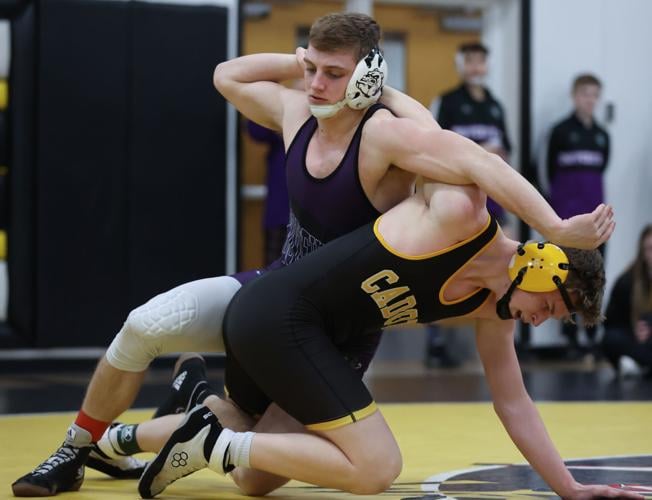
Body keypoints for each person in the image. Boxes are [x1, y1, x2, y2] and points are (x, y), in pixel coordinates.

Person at [12, 12, 615, 498]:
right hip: (283, 295)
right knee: (146, 325)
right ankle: (76, 444)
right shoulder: (301, 112)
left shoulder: (387, 141)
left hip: (338, 329)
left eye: (331, 72)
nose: (313, 83)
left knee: (254, 474)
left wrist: (568, 488)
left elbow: (460, 151)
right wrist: (303, 62)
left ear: (364, 80)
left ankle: (125, 437)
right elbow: (228, 75)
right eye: (312, 68)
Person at [136, 175, 635, 500]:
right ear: (542, 264)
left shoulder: (493, 312)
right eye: (549, 306)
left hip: (316, 342)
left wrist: (568, 488)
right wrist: (553, 221)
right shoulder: (463, 216)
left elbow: (515, 403)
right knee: (377, 468)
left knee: (255, 480)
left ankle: (139, 433)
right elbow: (464, 155)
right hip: (280, 314)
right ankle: (214, 441)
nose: (540, 321)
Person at [427, 41, 513, 367]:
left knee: (498, 264)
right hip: (455, 198)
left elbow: (504, 152)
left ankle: (497, 335)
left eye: (481, 61)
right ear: (461, 64)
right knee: (441, 265)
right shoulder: (446, 102)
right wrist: (477, 155)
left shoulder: (495, 106)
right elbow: (433, 147)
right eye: (471, 61)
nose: (476, 67)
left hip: (491, 199)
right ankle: (435, 340)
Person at [546, 73, 610, 358]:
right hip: (567, 221)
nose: (590, 100)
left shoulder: (602, 136)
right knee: (569, 276)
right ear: (575, 96)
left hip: (596, 222)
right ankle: (569, 334)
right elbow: (545, 174)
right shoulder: (559, 132)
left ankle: (593, 330)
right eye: (585, 93)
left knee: (594, 275)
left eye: (595, 94)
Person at [601, 224, 652, 376]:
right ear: (642, 252)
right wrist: (634, 329)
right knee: (611, 339)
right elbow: (610, 321)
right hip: (633, 338)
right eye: (649, 249)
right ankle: (641, 364)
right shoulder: (627, 281)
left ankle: (639, 364)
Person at [245, 120, 290, 266]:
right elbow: (256, 131)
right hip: (282, 197)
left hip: (321, 204)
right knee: (275, 269)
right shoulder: (284, 98)